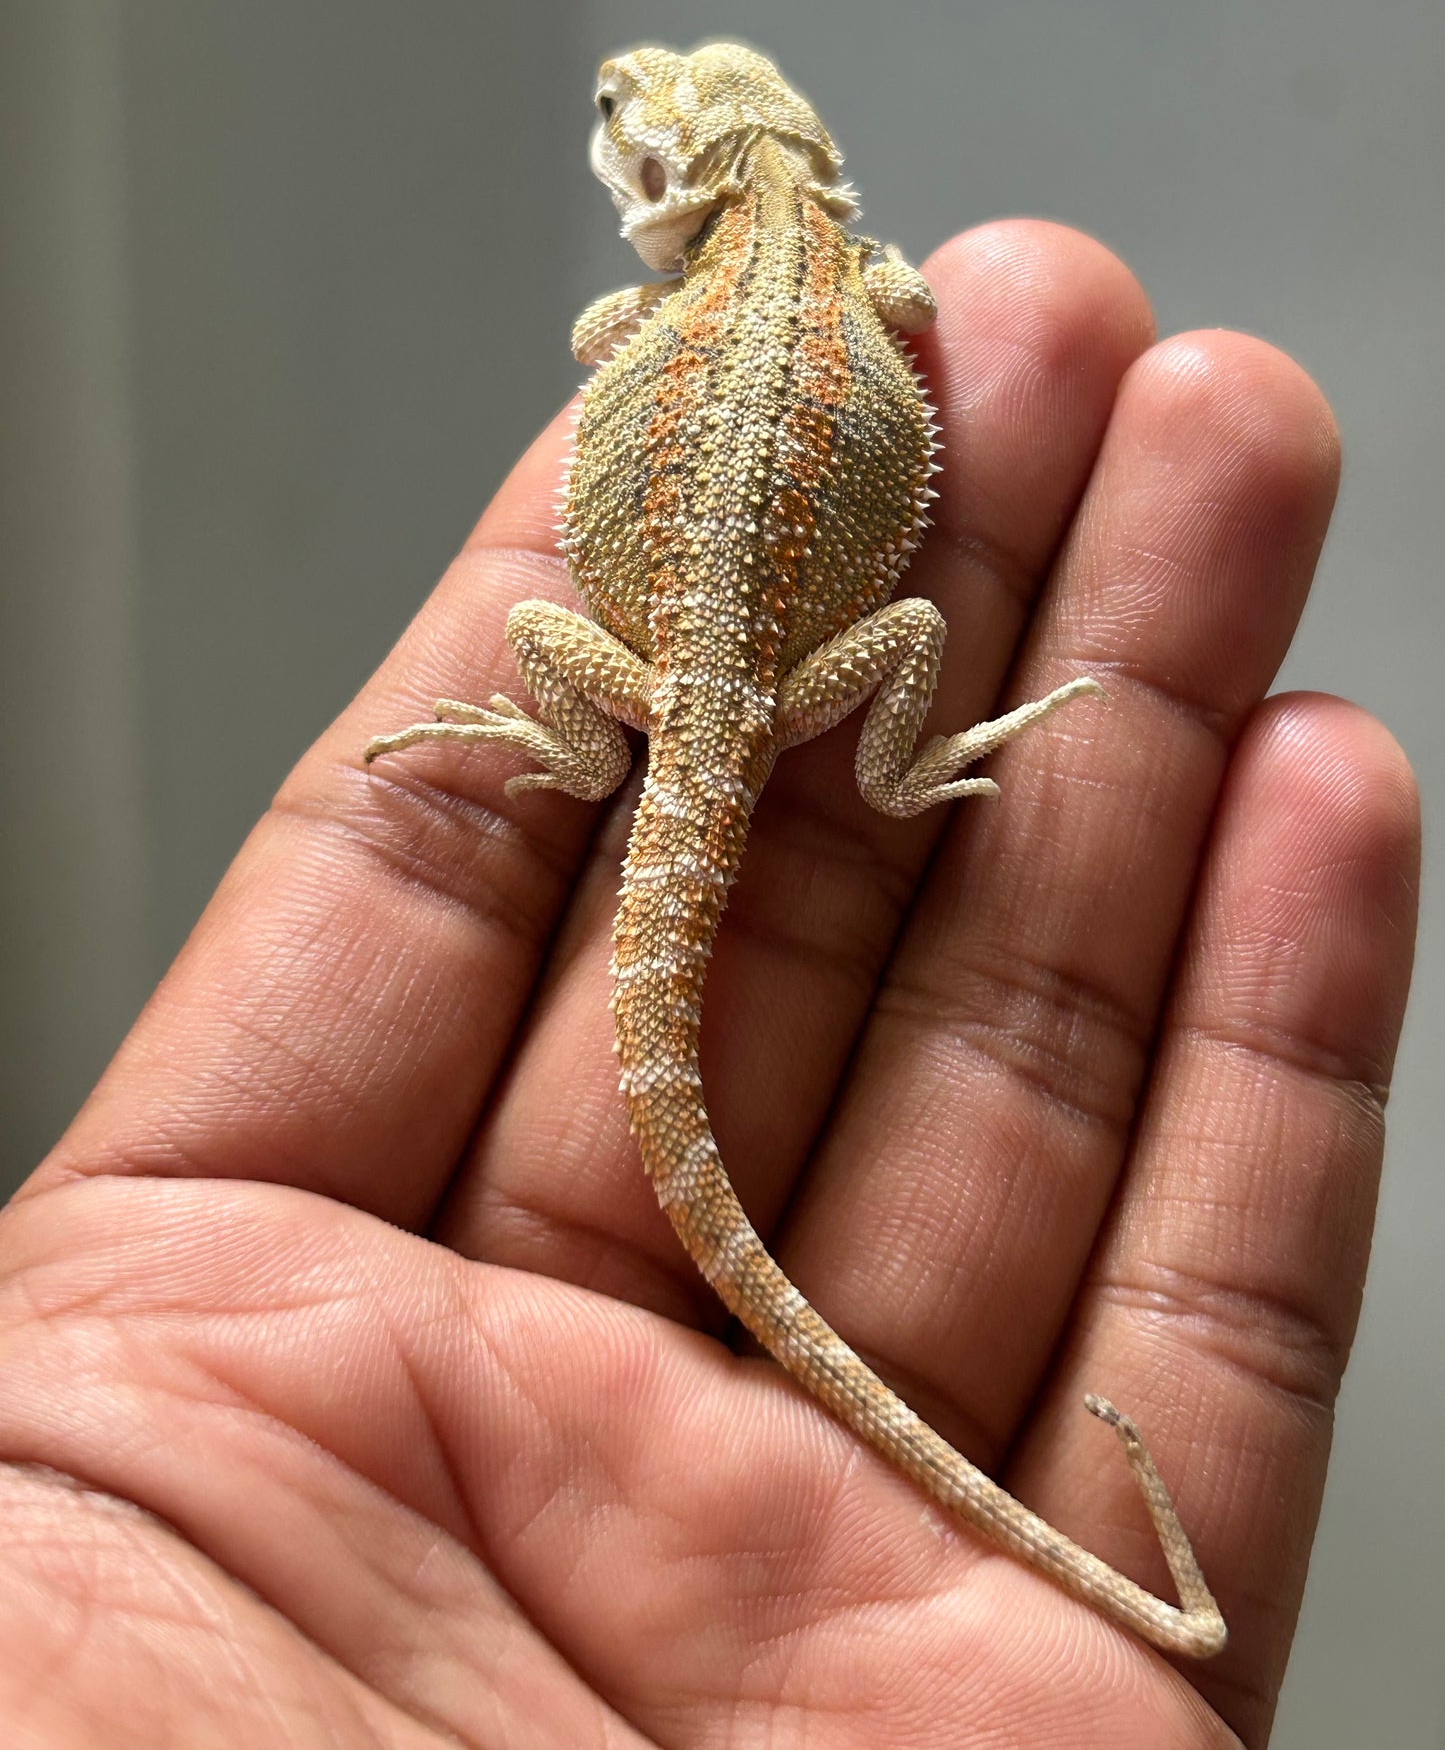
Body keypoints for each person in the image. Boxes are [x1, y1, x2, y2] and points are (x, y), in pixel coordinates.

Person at [0, 221, 1418, 1747]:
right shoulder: (864, 280)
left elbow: (601, 335)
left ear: (681, 173)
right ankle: (898, 772)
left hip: (663, 689)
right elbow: (906, 304)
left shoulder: (672, 292)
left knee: (598, 632)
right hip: (781, 687)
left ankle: (586, 753)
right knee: (913, 627)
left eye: (634, 128)